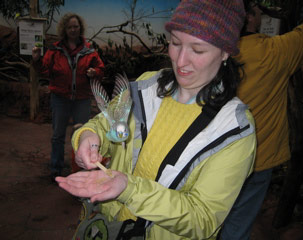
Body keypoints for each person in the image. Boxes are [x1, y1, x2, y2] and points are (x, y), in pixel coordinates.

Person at [56, 1, 256, 239]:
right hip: (106, 226)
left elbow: (202, 217)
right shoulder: (147, 85)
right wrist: (89, 136)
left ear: (225, 52)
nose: (180, 61)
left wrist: (129, 189)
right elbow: (106, 123)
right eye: (175, 43)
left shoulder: (234, 129)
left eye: (198, 50)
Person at [219, 1, 303, 239]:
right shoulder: (274, 51)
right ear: (251, 20)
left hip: (216, 157)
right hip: (258, 159)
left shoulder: (213, 52)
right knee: (239, 223)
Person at [32, 13, 105, 181]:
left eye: (76, 27)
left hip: (82, 99)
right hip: (60, 99)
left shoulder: (89, 50)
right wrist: (36, 61)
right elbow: (44, 71)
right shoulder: (55, 50)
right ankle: (56, 169)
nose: (73, 29)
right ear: (64, 29)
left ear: (80, 29)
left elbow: (101, 69)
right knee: (58, 135)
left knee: (82, 135)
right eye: (70, 27)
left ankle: (80, 170)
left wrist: (95, 72)